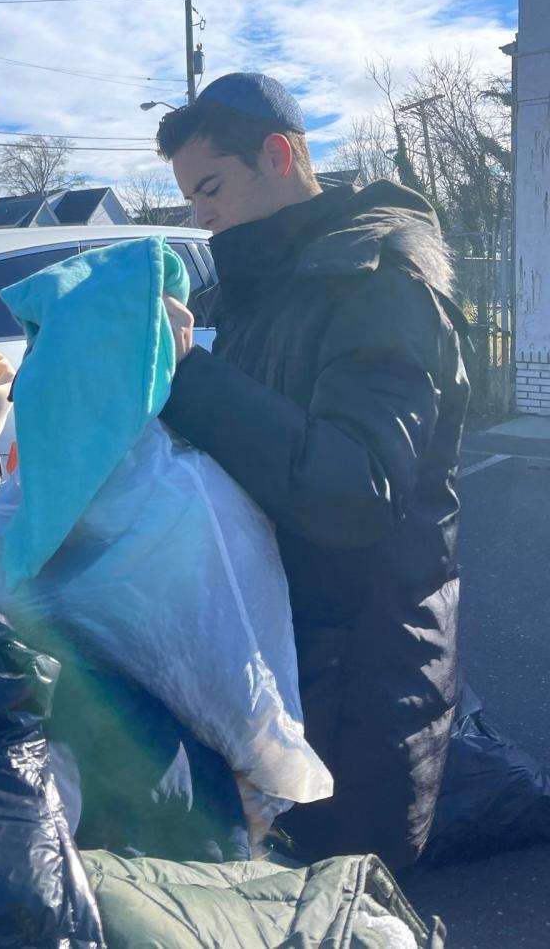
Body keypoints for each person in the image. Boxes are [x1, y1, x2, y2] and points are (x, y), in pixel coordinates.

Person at [157, 72, 469, 870]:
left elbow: (356, 493)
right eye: (192, 198)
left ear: (279, 154)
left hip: (363, 679)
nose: (203, 215)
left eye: (213, 187)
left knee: (343, 904)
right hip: (270, 667)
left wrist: (189, 380)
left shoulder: (383, 282)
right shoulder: (239, 294)